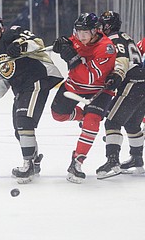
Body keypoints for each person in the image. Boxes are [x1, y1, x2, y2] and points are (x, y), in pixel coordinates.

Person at [0, 13, 63, 183]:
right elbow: (0, 84)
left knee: (24, 121)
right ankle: (34, 160)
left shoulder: (13, 33)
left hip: (36, 78)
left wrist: (20, 46)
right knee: (19, 129)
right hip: (21, 89)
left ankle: (28, 166)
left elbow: (37, 43)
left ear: (1, 27)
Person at [51, 12, 116, 184]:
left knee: (92, 122)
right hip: (74, 85)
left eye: (85, 32)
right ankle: (81, 116)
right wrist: (63, 43)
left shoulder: (106, 47)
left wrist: (71, 57)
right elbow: (71, 43)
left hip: (100, 90)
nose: (80, 36)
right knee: (57, 114)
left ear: (95, 31)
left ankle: (77, 162)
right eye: (78, 32)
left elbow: (89, 78)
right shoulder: (78, 38)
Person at [96, 11, 145, 179]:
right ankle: (137, 160)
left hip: (131, 82)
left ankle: (112, 161)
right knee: (132, 124)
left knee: (112, 121)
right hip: (142, 81)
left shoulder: (112, 40)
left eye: (102, 24)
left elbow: (119, 62)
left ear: (107, 25)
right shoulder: (126, 37)